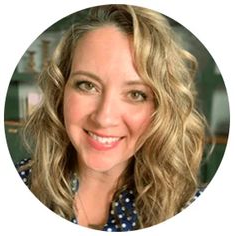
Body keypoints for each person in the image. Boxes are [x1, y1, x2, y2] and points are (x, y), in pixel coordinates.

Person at [17, 4, 206, 232]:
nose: (104, 117)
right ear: (61, 91)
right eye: (87, 85)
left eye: (136, 94)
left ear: (162, 108)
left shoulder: (190, 209)